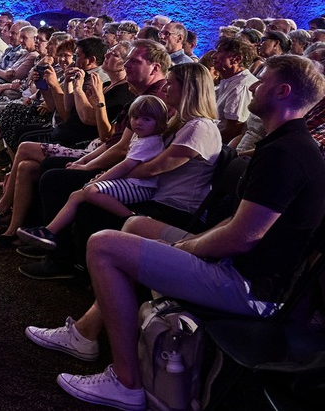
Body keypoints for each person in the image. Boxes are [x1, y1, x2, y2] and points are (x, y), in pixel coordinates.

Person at [26, 54, 325, 411]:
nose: (255, 86)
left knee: (104, 245)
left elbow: (242, 237)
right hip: (238, 266)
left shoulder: (286, 155)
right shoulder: (283, 145)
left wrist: (186, 247)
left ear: (282, 91)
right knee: (136, 224)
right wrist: (185, 243)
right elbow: (235, 225)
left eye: (263, 81)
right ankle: (86, 334)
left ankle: (126, 382)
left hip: (249, 287)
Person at [17, 95, 168, 250]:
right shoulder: (140, 137)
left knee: (91, 190)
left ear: (159, 123)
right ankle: (49, 231)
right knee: (76, 195)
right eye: (135, 117)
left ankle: (131, 218)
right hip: (131, 183)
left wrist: (100, 178)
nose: (138, 122)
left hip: (140, 188)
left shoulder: (149, 142)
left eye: (146, 119)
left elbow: (125, 166)